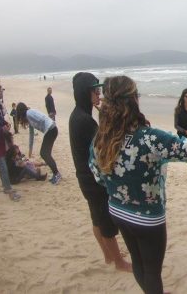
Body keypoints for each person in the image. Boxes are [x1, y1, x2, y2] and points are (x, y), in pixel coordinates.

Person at [89, 75, 187, 294]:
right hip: (147, 219)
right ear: (132, 100)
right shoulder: (148, 138)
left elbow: (97, 174)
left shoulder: (101, 138)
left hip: (117, 211)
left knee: (139, 263)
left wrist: (119, 188)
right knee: (153, 272)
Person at [69, 72, 132, 272]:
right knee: (105, 222)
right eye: (94, 91)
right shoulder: (84, 120)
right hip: (92, 179)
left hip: (84, 176)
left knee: (96, 218)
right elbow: (104, 144)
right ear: (83, 93)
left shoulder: (78, 114)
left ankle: (108, 256)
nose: (98, 95)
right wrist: (107, 112)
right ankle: (119, 263)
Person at [15, 102, 62, 184]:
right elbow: (31, 135)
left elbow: (42, 118)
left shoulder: (29, 112)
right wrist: (30, 150)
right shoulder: (28, 117)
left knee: (44, 153)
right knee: (45, 154)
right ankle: (56, 174)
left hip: (51, 129)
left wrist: (44, 122)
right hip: (50, 130)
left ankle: (57, 174)